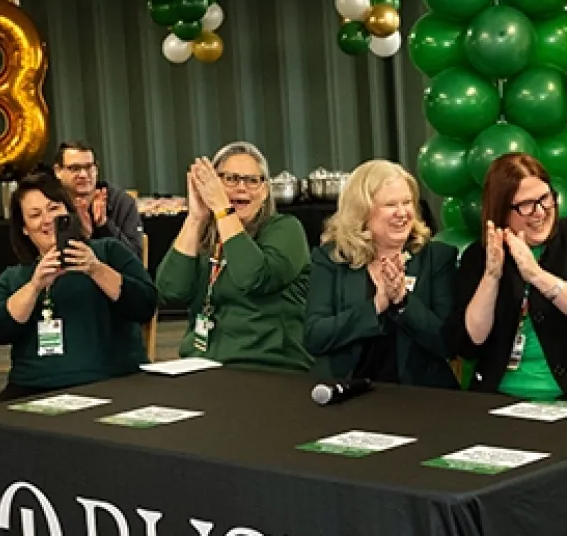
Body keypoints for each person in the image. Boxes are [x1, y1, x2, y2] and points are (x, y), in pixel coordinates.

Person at [444, 154, 567, 406]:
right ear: (501, 210)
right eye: (525, 205)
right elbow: (469, 342)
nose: (539, 212)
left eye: (544, 198)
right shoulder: (479, 256)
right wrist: (492, 276)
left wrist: (536, 275)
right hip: (503, 398)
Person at [0, 174, 156, 401]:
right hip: (34, 387)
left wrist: (95, 269)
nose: (47, 220)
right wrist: (35, 286)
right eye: (35, 215)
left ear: (68, 212)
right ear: (25, 229)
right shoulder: (15, 277)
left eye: (53, 208)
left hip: (110, 380)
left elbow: (145, 305)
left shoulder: (108, 252)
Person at [156, 142, 312, 372]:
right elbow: (170, 291)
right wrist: (196, 218)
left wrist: (221, 207)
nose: (242, 188)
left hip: (267, 367)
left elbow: (254, 277)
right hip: (201, 365)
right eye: (230, 179)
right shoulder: (207, 236)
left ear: (265, 191)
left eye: (252, 180)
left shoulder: (285, 229)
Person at [305, 159, 457, 389]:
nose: (402, 213)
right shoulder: (332, 259)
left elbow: (447, 343)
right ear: (362, 211)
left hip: (422, 398)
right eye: (390, 204)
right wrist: (377, 305)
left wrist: (403, 302)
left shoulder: (437, 258)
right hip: (348, 392)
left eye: (407, 203)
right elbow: (315, 336)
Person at [56, 140, 144, 255]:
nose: (83, 175)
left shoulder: (122, 202)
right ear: (58, 171)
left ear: (96, 169)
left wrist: (104, 225)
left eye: (89, 167)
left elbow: (135, 259)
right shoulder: (51, 204)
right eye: (75, 168)